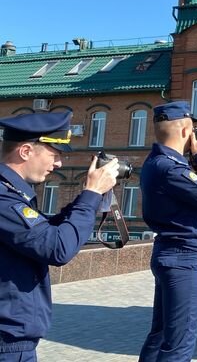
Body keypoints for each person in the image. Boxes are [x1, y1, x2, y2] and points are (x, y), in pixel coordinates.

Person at [0, 111, 118, 361]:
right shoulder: (4, 198)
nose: (58, 164)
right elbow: (56, 248)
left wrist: (88, 197)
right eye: (54, 155)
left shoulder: (13, 194)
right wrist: (92, 193)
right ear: (25, 152)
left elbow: (45, 231)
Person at [138, 101, 197, 362]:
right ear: (184, 131)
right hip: (184, 259)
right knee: (179, 345)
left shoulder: (158, 161)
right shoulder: (171, 168)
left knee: (160, 337)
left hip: (172, 255)